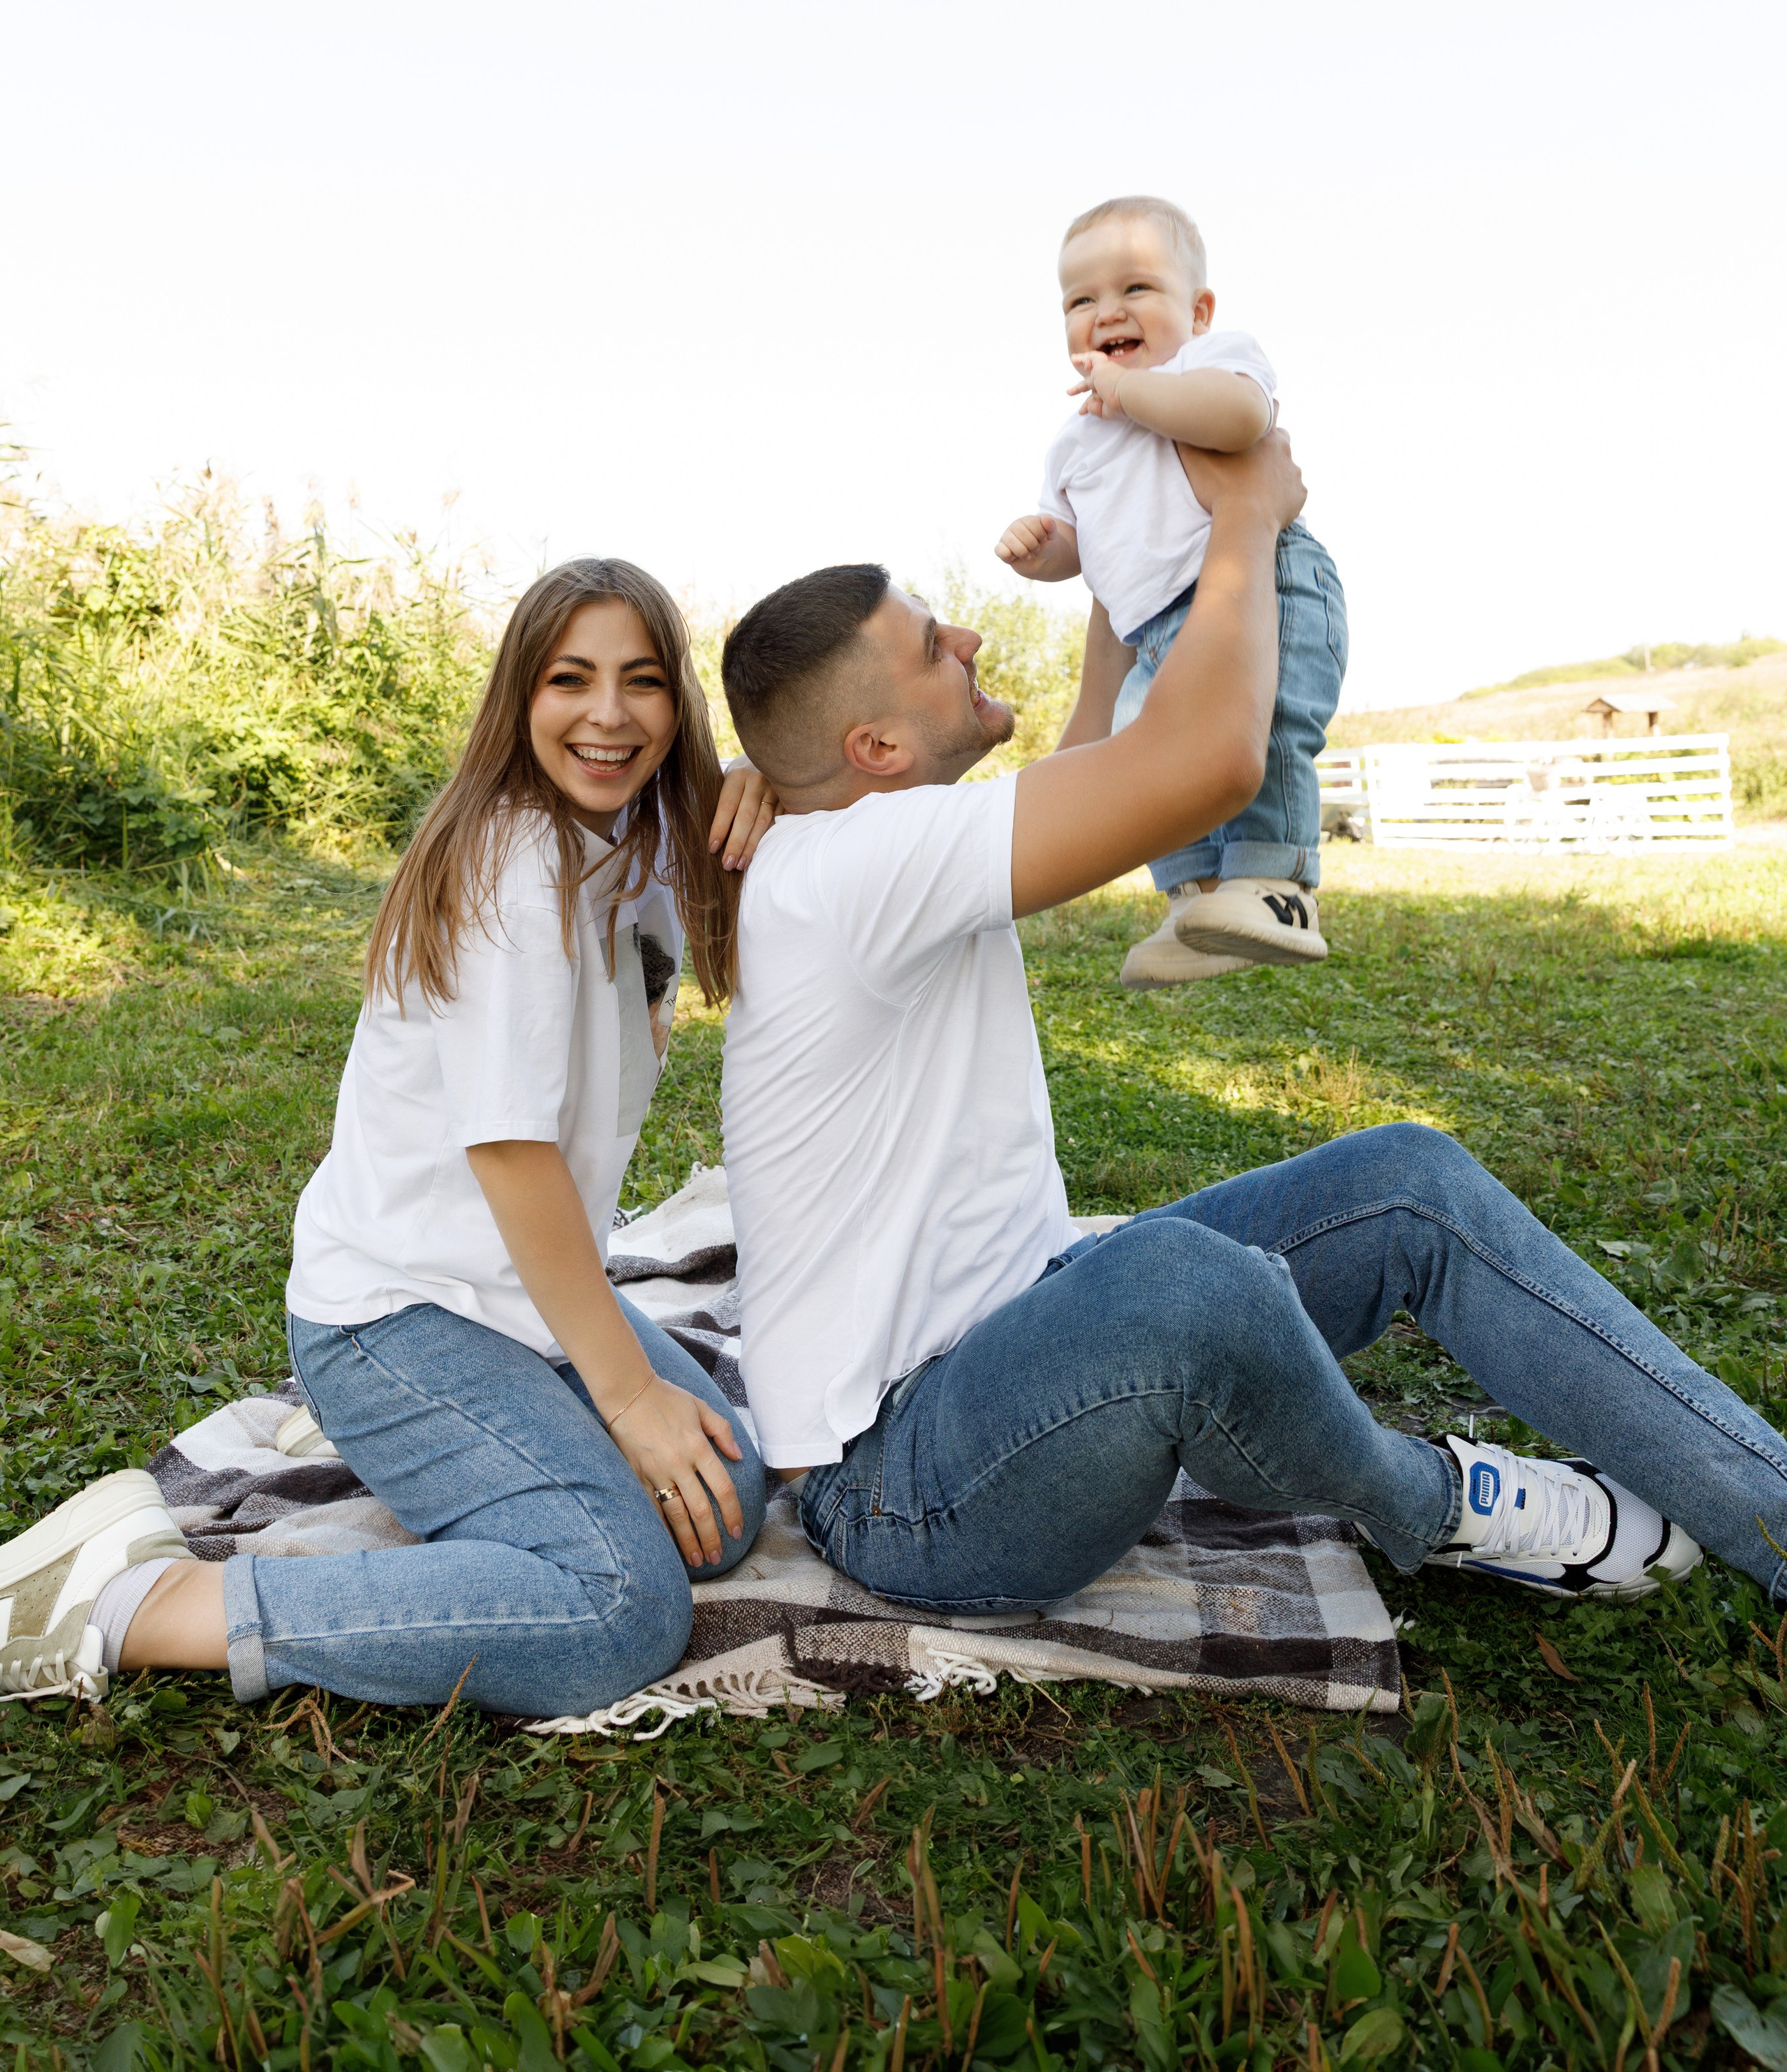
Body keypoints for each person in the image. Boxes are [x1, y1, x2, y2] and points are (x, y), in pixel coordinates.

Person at [715, 432, 1787, 1623]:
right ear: (874, 750)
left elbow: (1104, 763)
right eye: (931, 646)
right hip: (903, 1489)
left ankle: (1773, 1517)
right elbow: (1208, 761)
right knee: (1179, 1283)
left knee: (1406, 1184)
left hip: (1021, 1337)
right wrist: (1246, 520)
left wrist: (1127, 564)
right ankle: (1437, 1500)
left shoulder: (866, 843)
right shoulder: (848, 867)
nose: (965, 638)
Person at [0, 560, 771, 1715]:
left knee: (723, 1503)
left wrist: (768, 782)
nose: (609, 715)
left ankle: (477, 1469)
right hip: (399, 1318)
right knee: (619, 1606)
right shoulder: (518, 868)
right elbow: (512, 1158)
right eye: (571, 680)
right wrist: (626, 1397)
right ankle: (130, 1600)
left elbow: (781, 842)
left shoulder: (627, 846)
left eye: (643, 682)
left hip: (518, 1303)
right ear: (521, 698)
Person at [995, 193, 1347, 988]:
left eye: (1134, 289)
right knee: (1145, 752)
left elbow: (1240, 421)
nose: (1106, 311)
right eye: (1080, 300)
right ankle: (1194, 904)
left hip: (1270, 584)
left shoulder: (1206, 363)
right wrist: (1040, 547)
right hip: (1153, 629)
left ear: (1199, 310)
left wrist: (1129, 392)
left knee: (1269, 721)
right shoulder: (1074, 441)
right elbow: (1080, 550)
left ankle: (1277, 885)